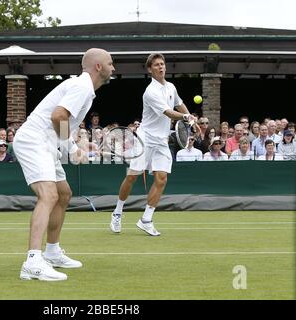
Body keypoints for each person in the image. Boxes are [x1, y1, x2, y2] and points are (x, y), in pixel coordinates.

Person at [13, 48, 114, 281]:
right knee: (48, 195)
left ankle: (52, 252)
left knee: (63, 193)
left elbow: (62, 121)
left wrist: (77, 146)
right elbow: (58, 116)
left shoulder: (84, 89)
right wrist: (73, 149)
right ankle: (32, 262)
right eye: (110, 63)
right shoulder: (81, 87)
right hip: (34, 140)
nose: (113, 67)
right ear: (98, 67)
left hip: (48, 144)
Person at [110, 53, 195, 236]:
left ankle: (146, 219)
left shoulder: (171, 86)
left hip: (161, 140)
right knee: (132, 176)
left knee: (161, 178)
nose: (160, 67)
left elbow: (179, 104)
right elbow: (168, 112)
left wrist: (190, 118)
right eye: (156, 65)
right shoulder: (150, 92)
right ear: (150, 69)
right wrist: (186, 117)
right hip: (145, 138)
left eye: (162, 64)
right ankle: (117, 212)